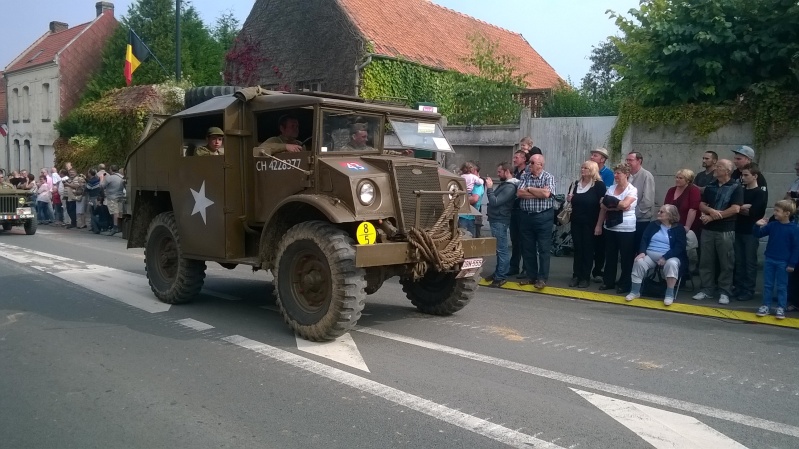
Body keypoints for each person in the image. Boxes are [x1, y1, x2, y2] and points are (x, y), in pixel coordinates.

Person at [692, 159, 743, 304]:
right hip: (708, 229)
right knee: (706, 260)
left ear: (727, 171)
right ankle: (706, 289)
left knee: (726, 261)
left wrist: (713, 217)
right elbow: (701, 204)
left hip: (725, 230)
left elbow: (735, 209)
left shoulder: (735, 186)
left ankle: (725, 291)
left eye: (719, 167)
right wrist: (710, 211)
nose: (716, 169)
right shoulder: (711, 185)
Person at [625, 204, 687, 305]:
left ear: (670, 215)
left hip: (670, 256)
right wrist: (642, 252)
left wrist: (665, 257)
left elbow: (679, 247)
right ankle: (635, 291)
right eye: (659, 211)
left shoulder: (679, 228)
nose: (658, 213)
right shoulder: (653, 225)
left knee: (672, 264)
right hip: (650, 255)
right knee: (639, 262)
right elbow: (644, 239)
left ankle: (669, 294)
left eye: (661, 212)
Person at [595, 163, 638, 294]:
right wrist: (599, 225)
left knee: (626, 257)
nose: (616, 176)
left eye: (618, 173)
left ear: (626, 174)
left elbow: (625, 204)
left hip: (627, 228)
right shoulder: (611, 188)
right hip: (610, 227)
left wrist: (609, 203)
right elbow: (603, 207)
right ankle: (608, 281)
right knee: (610, 256)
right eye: (615, 173)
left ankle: (624, 284)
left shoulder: (632, 189)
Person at [753, 200, 799, 320]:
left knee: (782, 286)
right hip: (770, 259)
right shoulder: (773, 225)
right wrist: (757, 225)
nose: (775, 213)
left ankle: (780, 307)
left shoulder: (794, 229)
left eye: (777, 211)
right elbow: (758, 234)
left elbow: (796, 248)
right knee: (768, 284)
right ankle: (765, 305)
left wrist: (792, 263)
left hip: (783, 262)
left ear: (787, 213)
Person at [516, 154, 556, 289]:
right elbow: (519, 194)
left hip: (543, 217)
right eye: (529, 162)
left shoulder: (548, 177)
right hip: (526, 216)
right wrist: (537, 192)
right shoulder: (524, 176)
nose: (529, 164)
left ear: (540, 165)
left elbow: (546, 195)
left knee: (544, 249)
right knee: (528, 248)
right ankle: (531, 276)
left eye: (532, 162)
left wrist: (530, 189)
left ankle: (542, 278)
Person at [567, 160, 606, 288]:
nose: (583, 170)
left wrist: (599, 225)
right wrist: (569, 199)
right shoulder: (575, 184)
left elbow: (602, 207)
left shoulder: (599, 186)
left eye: (586, 168)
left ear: (593, 170)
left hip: (591, 223)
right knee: (578, 249)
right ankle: (576, 275)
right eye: (582, 167)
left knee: (588, 249)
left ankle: (585, 277)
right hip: (576, 221)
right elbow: (572, 202)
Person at [732, 163, 767, 302]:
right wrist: (742, 208)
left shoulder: (760, 192)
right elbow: (735, 207)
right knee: (739, 261)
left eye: (746, 175)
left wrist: (740, 208)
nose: (743, 177)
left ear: (755, 176)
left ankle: (748, 290)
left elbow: (754, 213)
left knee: (750, 262)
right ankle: (739, 287)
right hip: (738, 228)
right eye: (742, 175)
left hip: (751, 231)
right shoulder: (741, 190)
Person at [484, 162, 520, 287]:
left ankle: (501, 277)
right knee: (499, 249)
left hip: (500, 220)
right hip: (497, 219)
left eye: (500, 172)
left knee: (501, 249)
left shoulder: (510, 187)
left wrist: (489, 188)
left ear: (507, 172)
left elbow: (495, 201)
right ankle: (498, 273)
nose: (497, 174)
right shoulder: (506, 185)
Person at [590, 148, 614, 283]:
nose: (592, 157)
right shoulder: (587, 172)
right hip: (589, 212)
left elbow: (606, 193)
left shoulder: (608, 174)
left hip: (601, 212)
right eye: (592, 155)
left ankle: (598, 270)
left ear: (602, 159)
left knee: (600, 245)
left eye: (595, 155)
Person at [626, 151, 655, 251]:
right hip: (627, 219)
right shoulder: (626, 175)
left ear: (639, 161)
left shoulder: (647, 175)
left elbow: (647, 200)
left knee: (638, 247)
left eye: (631, 160)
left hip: (641, 219)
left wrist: (633, 213)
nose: (628, 162)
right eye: (627, 160)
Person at [508, 150, 528, 277]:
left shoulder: (528, 172)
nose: (514, 160)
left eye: (517, 157)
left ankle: (526, 268)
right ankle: (514, 266)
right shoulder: (514, 172)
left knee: (525, 241)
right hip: (513, 210)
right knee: (515, 240)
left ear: (524, 159)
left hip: (523, 210)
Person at [664, 169, 701, 236]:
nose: (677, 179)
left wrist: (687, 227)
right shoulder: (671, 190)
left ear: (688, 180)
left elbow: (693, 210)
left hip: (687, 226)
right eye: (677, 177)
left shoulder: (693, 190)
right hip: (671, 226)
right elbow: (665, 207)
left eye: (680, 178)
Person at [457, 162, 484, 236]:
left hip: (469, 216)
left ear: (475, 171)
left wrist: (458, 201)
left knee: (466, 237)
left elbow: (474, 199)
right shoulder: (475, 181)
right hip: (466, 215)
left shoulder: (477, 185)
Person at [101, 165, 126, 236]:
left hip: (112, 197)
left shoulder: (110, 178)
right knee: (120, 212)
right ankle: (121, 227)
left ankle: (115, 227)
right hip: (120, 196)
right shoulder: (122, 177)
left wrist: (103, 179)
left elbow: (102, 185)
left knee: (115, 212)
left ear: (111, 170)